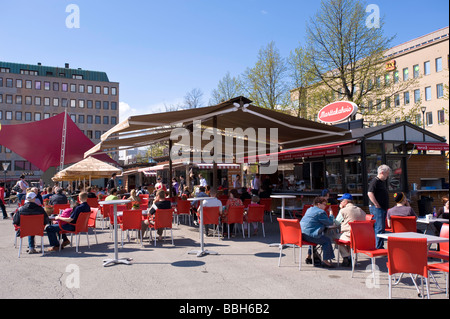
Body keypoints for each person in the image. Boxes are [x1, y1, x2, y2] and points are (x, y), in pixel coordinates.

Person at [300, 197, 335, 268]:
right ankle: (325, 260)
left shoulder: (309, 209)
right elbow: (330, 223)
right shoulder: (321, 212)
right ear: (319, 204)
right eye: (325, 204)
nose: (326, 206)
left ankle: (309, 256)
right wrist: (331, 213)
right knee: (327, 240)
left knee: (315, 236)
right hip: (309, 235)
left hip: (301, 234)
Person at [333, 193, 366, 267]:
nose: (340, 203)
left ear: (345, 202)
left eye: (341, 201)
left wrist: (340, 210)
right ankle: (350, 256)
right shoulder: (360, 210)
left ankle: (346, 256)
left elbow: (336, 223)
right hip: (360, 237)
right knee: (345, 238)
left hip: (349, 235)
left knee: (334, 237)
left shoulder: (343, 210)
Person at [367, 164, 391, 249]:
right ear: (382, 172)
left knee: (381, 227)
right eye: (387, 173)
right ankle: (379, 246)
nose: (387, 175)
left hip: (381, 208)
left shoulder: (381, 182)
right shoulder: (375, 181)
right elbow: (370, 193)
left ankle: (379, 245)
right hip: (377, 208)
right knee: (379, 227)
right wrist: (376, 204)